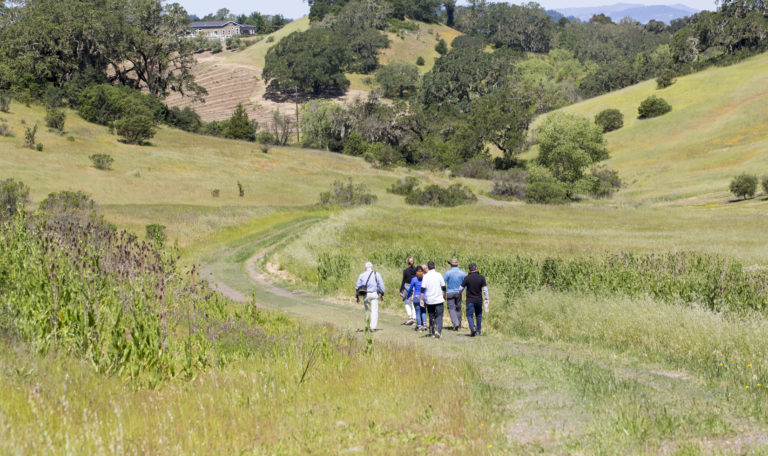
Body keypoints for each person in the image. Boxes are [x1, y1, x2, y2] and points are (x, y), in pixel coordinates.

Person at [461, 263, 489, 337]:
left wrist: (459, 293)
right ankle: (478, 331)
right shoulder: (481, 277)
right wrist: (486, 299)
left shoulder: (467, 278)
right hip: (479, 300)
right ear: (476, 268)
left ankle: (472, 328)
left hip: (470, 300)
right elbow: (485, 290)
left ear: (470, 269)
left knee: (469, 315)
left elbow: (461, 288)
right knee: (478, 315)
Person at [355, 262, 385, 332]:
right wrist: (382, 294)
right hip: (374, 294)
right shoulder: (376, 274)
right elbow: (381, 286)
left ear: (365, 268)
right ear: (372, 267)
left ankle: (367, 325)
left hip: (366, 295)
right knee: (374, 311)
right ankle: (373, 327)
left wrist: (357, 296)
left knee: (367, 311)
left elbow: (357, 287)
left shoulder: (362, 275)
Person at [420, 261, 446, 339]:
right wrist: (445, 295)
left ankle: (432, 331)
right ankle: (439, 332)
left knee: (431, 316)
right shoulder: (439, 275)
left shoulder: (426, 276)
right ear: (435, 266)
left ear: (428, 267)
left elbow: (423, 289)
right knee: (439, 316)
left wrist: (421, 299)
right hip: (438, 299)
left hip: (430, 300)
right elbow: (444, 286)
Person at [443, 258, 466, 331]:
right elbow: (466, 283)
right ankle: (459, 324)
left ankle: (455, 323)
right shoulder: (462, 273)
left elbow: (443, 283)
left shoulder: (448, 273)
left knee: (451, 308)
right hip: (459, 292)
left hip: (450, 292)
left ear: (451, 264)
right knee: (458, 308)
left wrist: (443, 293)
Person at [404, 266, 427, 331]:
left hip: (416, 297)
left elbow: (411, 288)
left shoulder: (414, 279)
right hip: (424, 297)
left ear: (416, 272)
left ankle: (419, 326)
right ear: (422, 272)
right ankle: (424, 325)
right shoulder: (425, 278)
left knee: (417, 312)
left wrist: (408, 296)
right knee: (423, 311)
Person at [400, 257, 418, 325]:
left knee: (406, 302)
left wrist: (401, 290)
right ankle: (414, 318)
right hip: (415, 286)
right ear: (413, 262)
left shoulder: (405, 271)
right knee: (414, 302)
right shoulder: (416, 270)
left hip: (407, 287)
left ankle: (409, 317)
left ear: (407, 262)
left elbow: (403, 281)